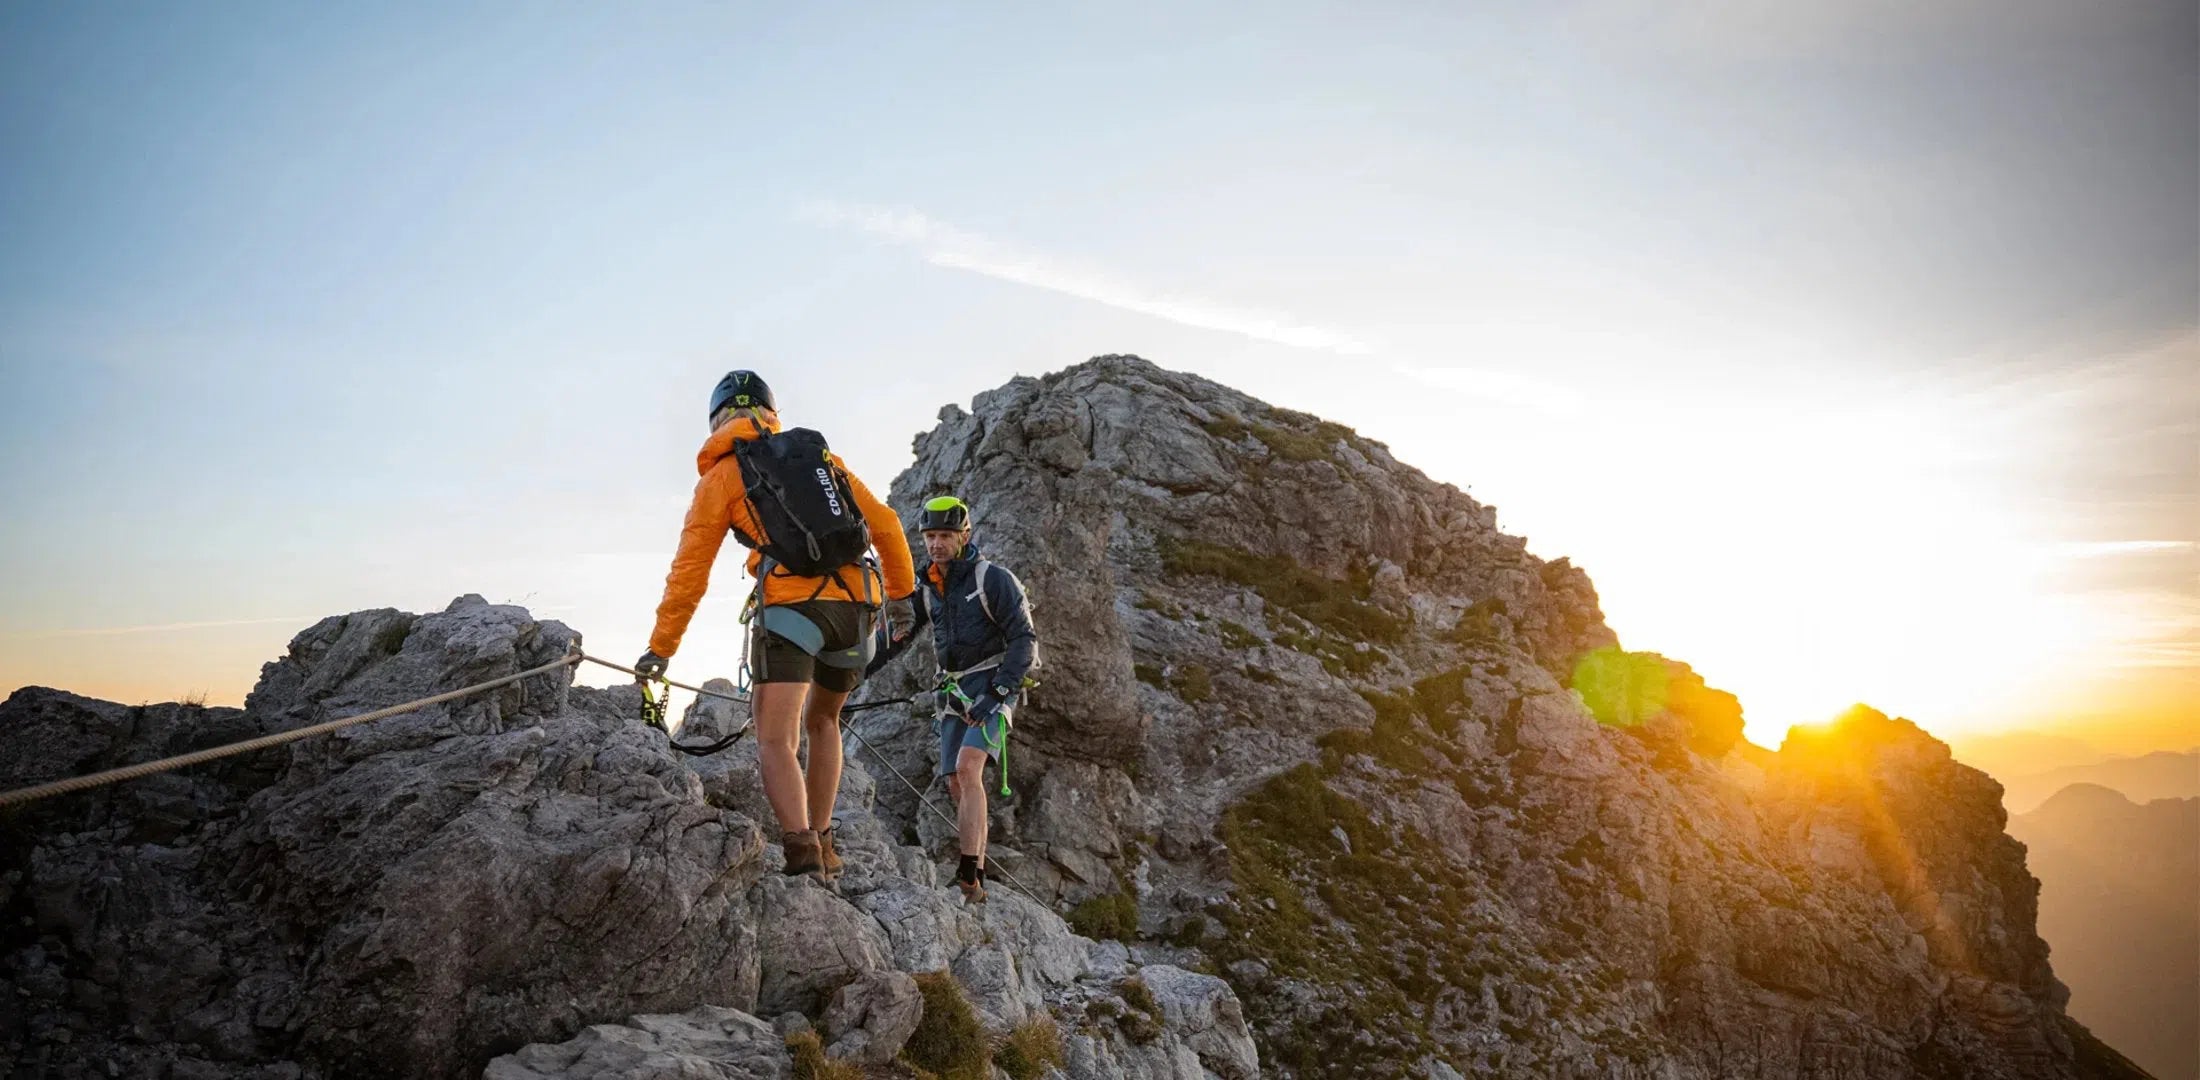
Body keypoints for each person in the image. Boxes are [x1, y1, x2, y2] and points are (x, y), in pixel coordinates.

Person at [636, 370, 917, 880]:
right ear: (771, 413)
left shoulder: (723, 475)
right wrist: (901, 599)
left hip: (792, 612)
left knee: (775, 740)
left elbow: (689, 572)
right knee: (825, 721)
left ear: (717, 418)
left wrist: (662, 648)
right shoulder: (819, 459)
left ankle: (803, 852)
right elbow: (889, 525)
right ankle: (827, 840)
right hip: (857, 612)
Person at [906, 495, 1038, 903]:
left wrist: (999, 693)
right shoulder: (928, 588)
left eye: (945, 535)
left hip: (994, 682)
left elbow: (1024, 640)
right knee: (954, 781)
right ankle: (975, 874)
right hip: (953, 690)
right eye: (930, 536)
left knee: (968, 767)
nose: (936, 544)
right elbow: (898, 635)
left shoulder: (994, 579)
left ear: (965, 535)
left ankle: (967, 872)